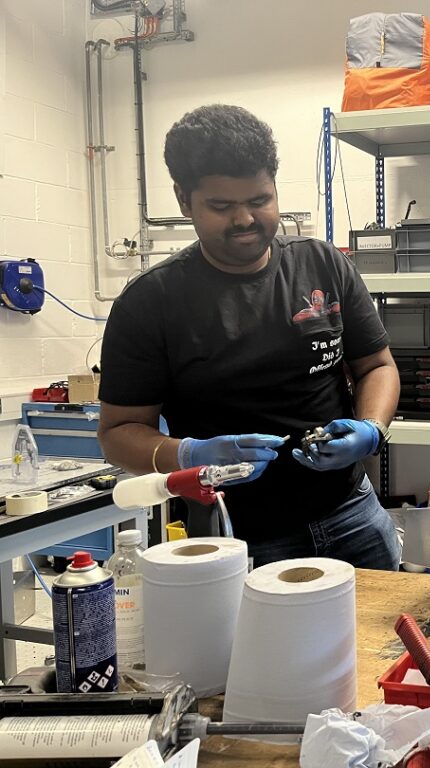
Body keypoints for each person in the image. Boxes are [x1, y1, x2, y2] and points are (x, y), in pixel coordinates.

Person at [97, 104, 401, 570]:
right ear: (184, 201)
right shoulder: (149, 303)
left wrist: (372, 430)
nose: (244, 219)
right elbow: (118, 433)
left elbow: (376, 366)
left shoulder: (322, 265)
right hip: (234, 538)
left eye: (259, 200)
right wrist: (188, 452)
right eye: (221, 206)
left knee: (384, 642)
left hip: (352, 515)